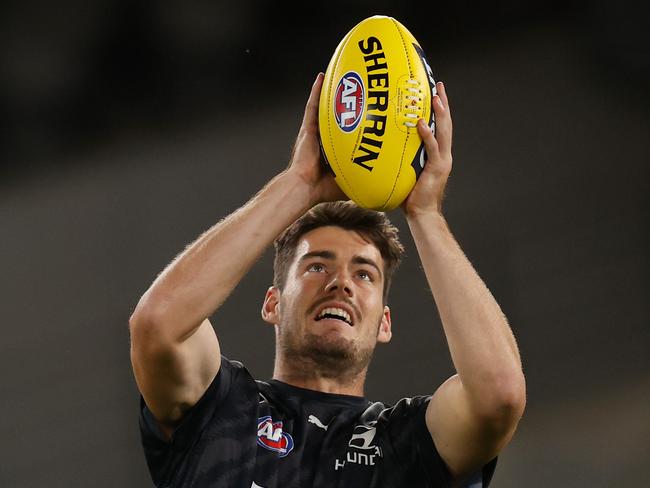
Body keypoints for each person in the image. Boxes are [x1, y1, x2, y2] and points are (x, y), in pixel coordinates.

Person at [129, 73, 526, 488]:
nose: (341, 282)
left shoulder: (406, 444)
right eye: (317, 266)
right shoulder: (222, 410)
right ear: (273, 304)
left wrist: (425, 214)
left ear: (384, 323)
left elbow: (498, 393)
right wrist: (298, 184)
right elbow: (158, 323)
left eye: (364, 273)